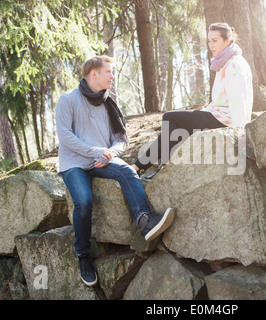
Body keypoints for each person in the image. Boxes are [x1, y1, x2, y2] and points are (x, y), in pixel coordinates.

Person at [55, 55, 175, 286]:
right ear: (94, 75)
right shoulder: (68, 99)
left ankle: (145, 220)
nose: (112, 76)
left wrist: (111, 153)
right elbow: (65, 138)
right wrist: (95, 152)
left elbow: (121, 140)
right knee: (84, 201)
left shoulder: (109, 101)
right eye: (109, 72)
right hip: (74, 163)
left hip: (101, 159)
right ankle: (82, 255)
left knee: (129, 172)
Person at [132, 22, 253, 176]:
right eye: (209, 41)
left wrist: (239, 137)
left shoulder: (234, 65)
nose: (211, 45)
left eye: (215, 41)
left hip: (225, 122)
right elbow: (220, 101)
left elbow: (239, 103)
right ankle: (148, 168)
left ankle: (141, 168)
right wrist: (201, 112)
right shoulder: (224, 62)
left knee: (169, 117)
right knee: (175, 129)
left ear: (227, 41)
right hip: (218, 117)